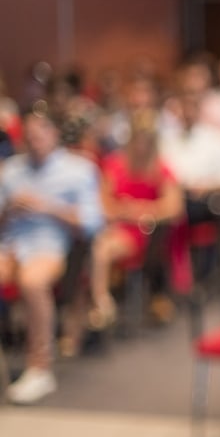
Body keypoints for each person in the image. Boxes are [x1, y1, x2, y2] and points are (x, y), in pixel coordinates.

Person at [0, 108, 103, 404]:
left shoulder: (79, 169)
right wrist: (9, 210)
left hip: (52, 246)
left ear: (54, 134)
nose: (35, 141)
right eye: (29, 136)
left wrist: (47, 207)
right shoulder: (11, 170)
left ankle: (39, 367)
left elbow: (93, 222)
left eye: (41, 134)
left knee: (32, 281)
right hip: (10, 244)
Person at [89, 110, 183, 329]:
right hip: (118, 227)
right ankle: (101, 301)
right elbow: (103, 203)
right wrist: (125, 211)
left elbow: (174, 208)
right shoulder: (115, 164)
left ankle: (102, 302)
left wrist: (143, 210)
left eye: (146, 142)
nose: (141, 147)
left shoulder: (161, 169)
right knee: (99, 246)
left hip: (146, 233)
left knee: (102, 248)